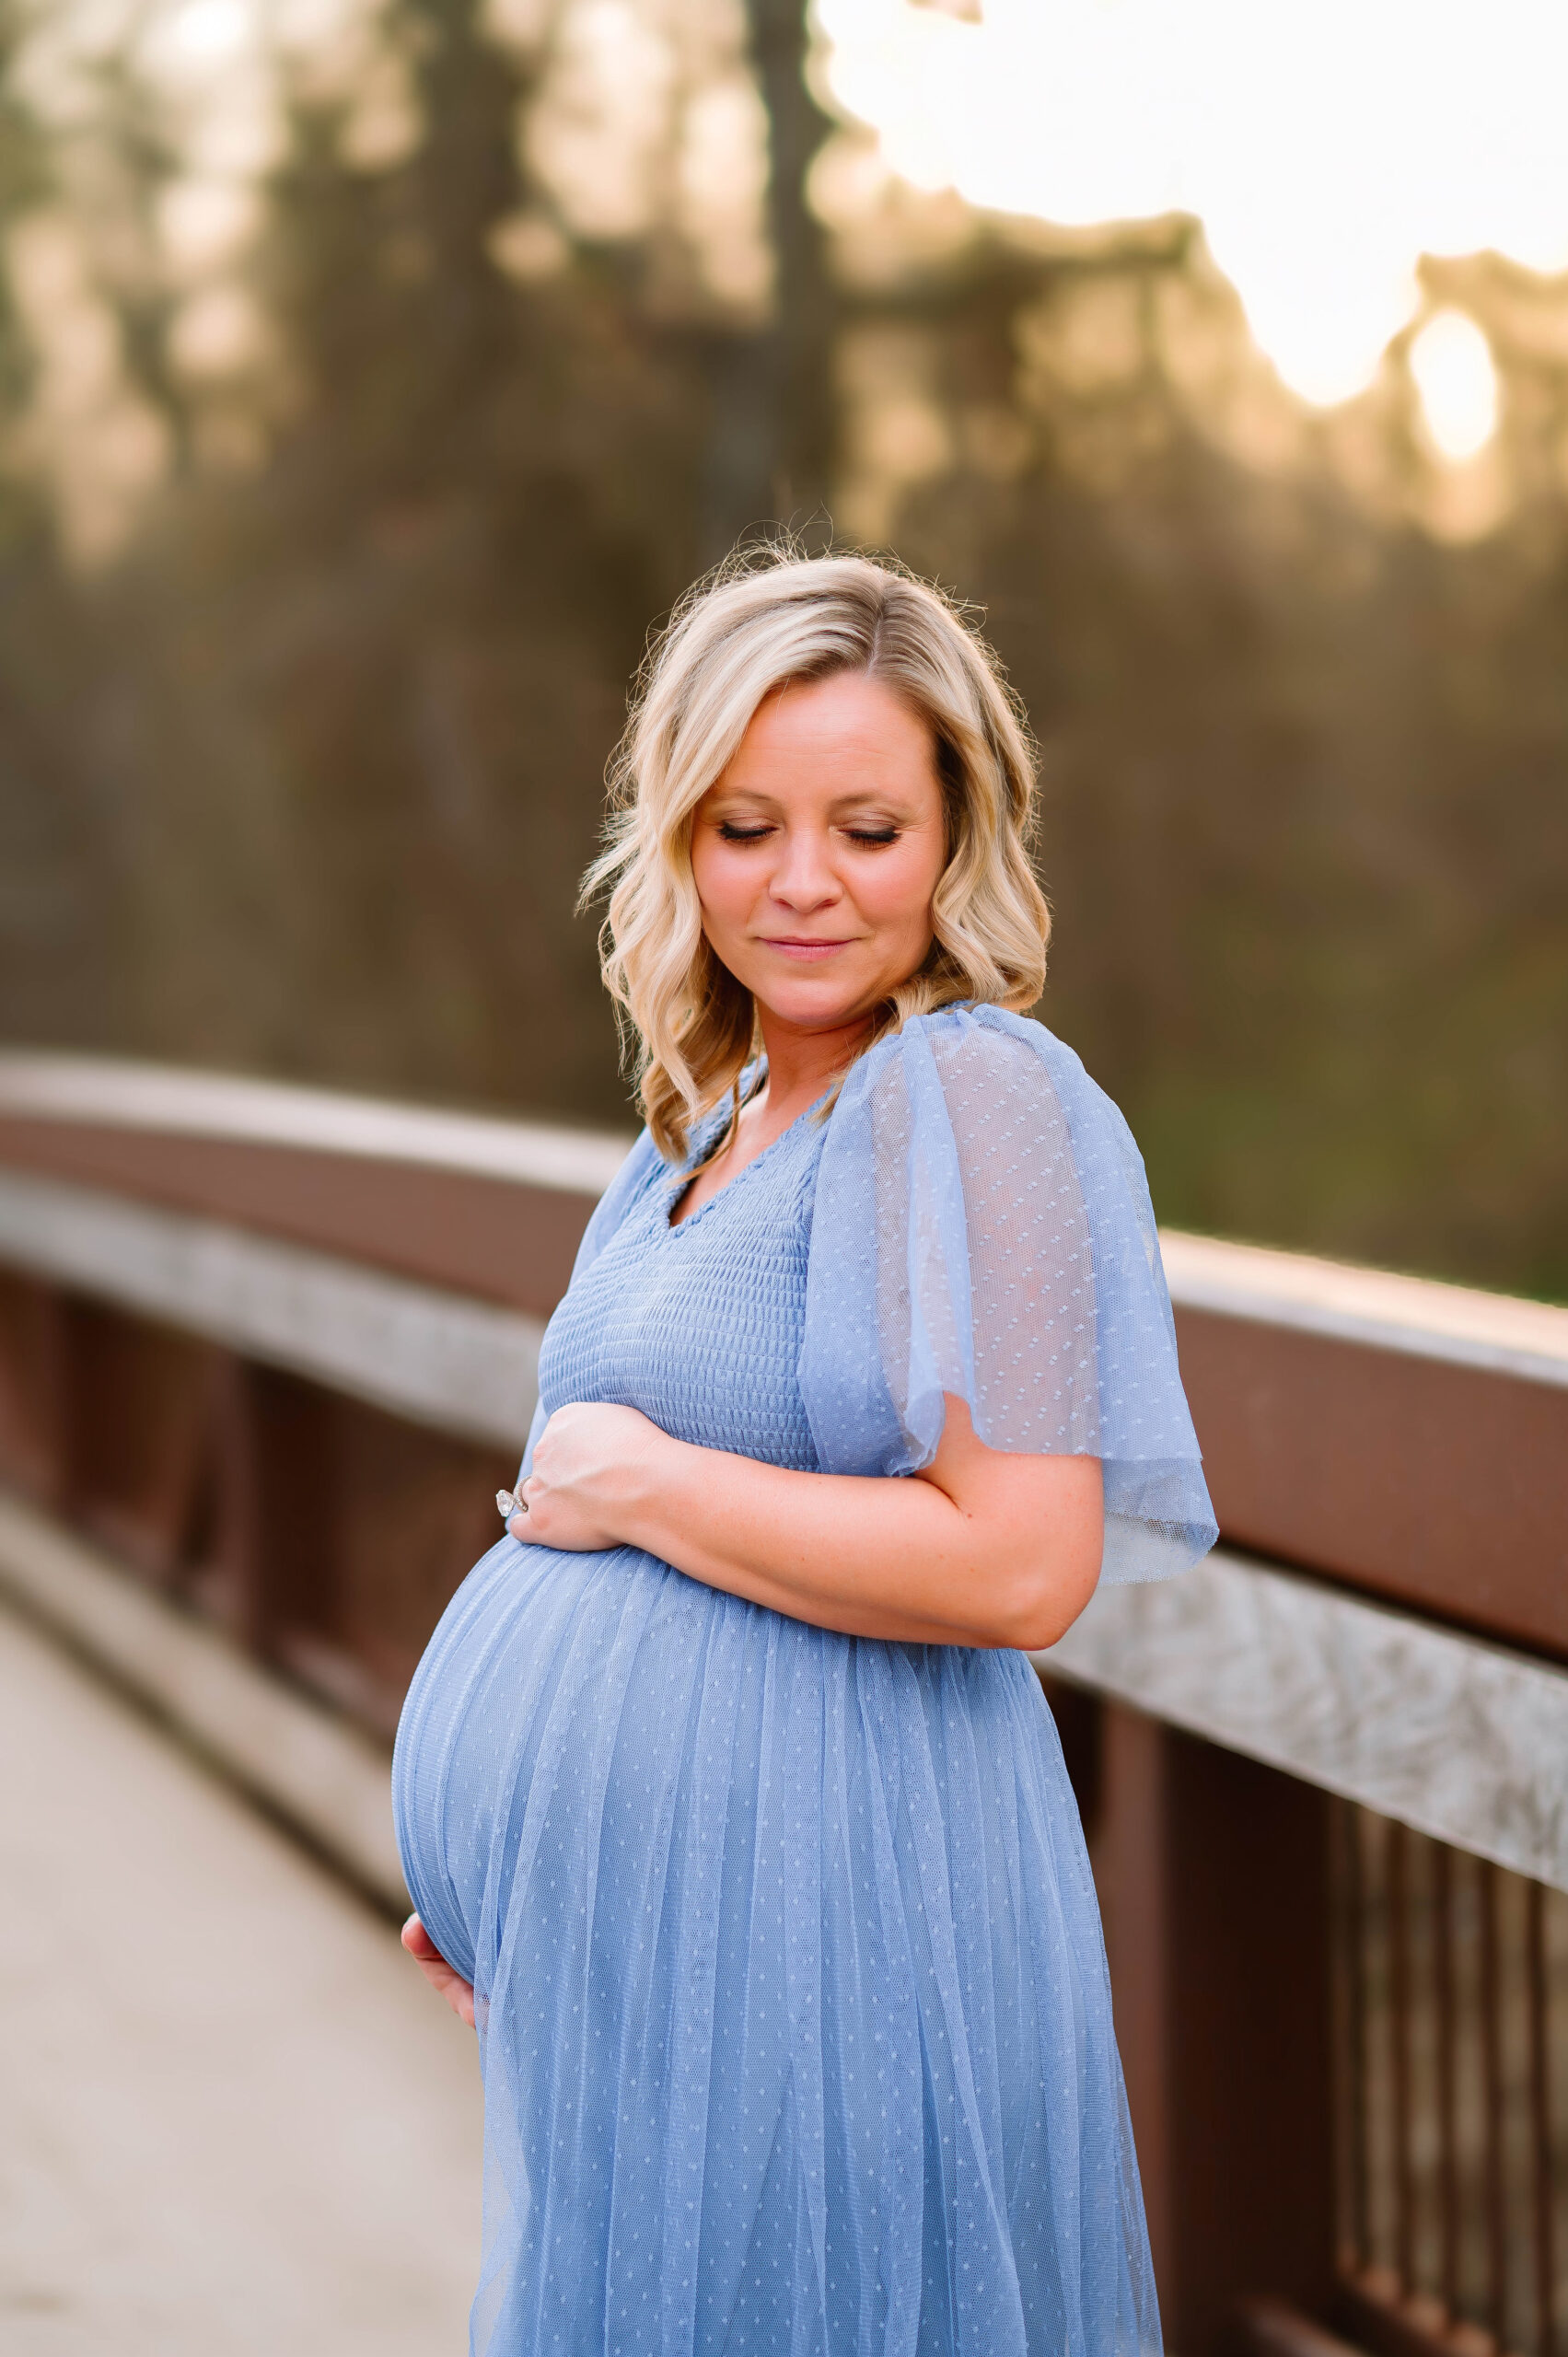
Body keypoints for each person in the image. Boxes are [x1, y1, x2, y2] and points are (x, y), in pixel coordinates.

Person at [393, 551, 1217, 2356]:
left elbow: (1023, 1562)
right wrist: (516, 1874)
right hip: (654, 1957)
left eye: (867, 828)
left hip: (836, 1924)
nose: (804, 883)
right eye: (748, 826)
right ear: (680, 837)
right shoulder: (705, 1119)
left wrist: (642, 1486)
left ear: (956, 835)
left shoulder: (971, 1099)